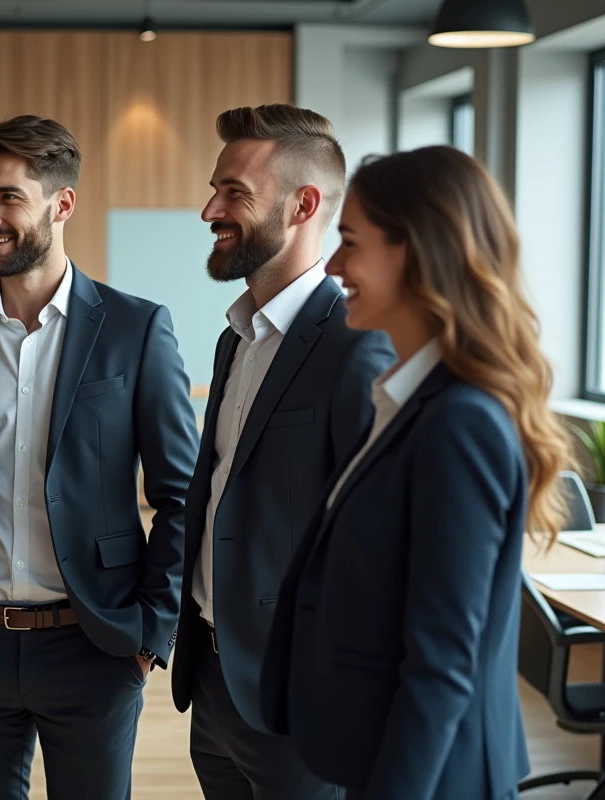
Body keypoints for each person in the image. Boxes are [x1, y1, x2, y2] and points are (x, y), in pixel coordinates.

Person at [0, 114, 199, 800]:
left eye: (7, 198)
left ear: (63, 204)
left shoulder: (137, 329)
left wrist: (150, 633)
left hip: (95, 643)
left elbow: (182, 494)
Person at [261, 145, 573, 799]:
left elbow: (440, 665)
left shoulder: (459, 423)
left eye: (351, 242)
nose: (336, 265)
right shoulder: (407, 401)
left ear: (420, 251)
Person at [169, 103, 395, 800]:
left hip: (300, 698)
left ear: (303, 205)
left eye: (235, 192)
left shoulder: (358, 347)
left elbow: (379, 549)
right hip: (214, 681)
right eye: (215, 188)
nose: (210, 209)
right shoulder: (235, 337)